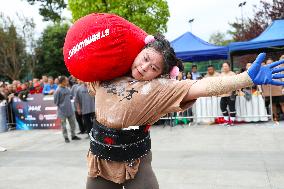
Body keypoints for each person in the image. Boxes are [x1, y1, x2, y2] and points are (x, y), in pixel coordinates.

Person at [85, 34, 284, 189]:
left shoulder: (161, 89)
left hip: (136, 161)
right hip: (100, 160)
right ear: (139, 51)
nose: (144, 67)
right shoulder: (109, 73)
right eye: (144, 58)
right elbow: (85, 68)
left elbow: (204, 86)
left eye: (153, 67)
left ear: (160, 74)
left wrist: (245, 79)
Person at [53, 76, 81, 143]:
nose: (67, 82)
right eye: (66, 81)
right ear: (62, 82)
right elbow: (56, 102)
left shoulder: (67, 89)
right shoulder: (58, 90)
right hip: (62, 112)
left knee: (73, 124)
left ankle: (73, 135)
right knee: (64, 126)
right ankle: (66, 137)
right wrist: (62, 106)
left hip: (70, 110)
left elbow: (70, 97)